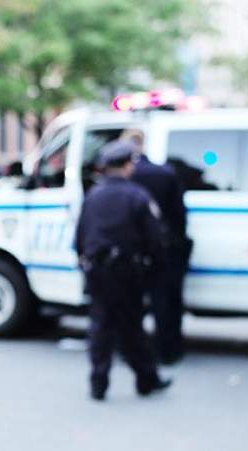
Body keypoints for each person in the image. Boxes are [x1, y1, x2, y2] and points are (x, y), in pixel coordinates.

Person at [75, 140, 171, 401]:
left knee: (101, 326)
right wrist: (154, 267)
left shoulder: (93, 195)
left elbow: (81, 235)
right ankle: (146, 379)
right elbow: (154, 239)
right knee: (132, 327)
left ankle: (99, 383)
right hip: (127, 270)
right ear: (128, 166)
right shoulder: (137, 195)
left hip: (97, 269)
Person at [121, 129, 190, 364]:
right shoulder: (165, 173)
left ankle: (132, 350)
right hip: (164, 247)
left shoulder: (123, 178)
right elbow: (179, 215)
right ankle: (168, 350)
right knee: (166, 302)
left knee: (130, 302)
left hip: (132, 250)